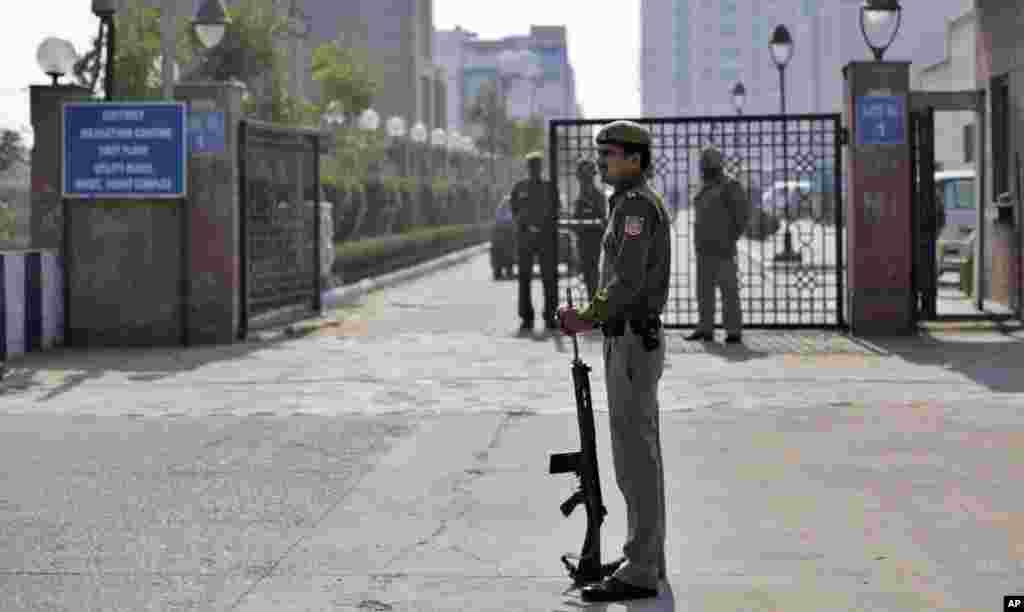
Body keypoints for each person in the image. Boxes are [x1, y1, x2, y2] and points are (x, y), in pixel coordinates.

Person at [558, 120, 671, 602]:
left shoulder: (637, 209)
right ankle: (644, 557)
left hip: (630, 342)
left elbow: (624, 284)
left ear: (634, 158)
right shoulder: (627, 205)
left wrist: (583, 317)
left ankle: (642, 567)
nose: (602, 161)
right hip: (624, 340)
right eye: (600, 153)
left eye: (610, 153)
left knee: (634, 460)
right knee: (635, 455)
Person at [685, 146, 749, 344]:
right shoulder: (704, 187)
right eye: (703, 163)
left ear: (716, 165)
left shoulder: (730, 186)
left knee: (729, 293)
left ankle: (733, 332)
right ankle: (705, 329)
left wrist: (730, 238)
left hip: (723, 250)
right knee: (704, 293)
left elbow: (742, 217)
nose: (704, 167)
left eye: (707, 163)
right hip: (704, 250)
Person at [510, 151, 559, 331]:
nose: (534, 169)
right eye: (531, 166)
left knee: (549, 278)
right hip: (525, 238)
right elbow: (514, 210)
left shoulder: (549, 187)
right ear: (528, 168)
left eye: (537, 166)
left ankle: (550, 316)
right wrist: (526, 225)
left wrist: (543, 226)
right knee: (524, 279)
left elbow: (555, 210)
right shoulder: (519, 187)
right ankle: (526, 317)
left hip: (546, 238)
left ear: (541, 167)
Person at [571, 159, 608, 300]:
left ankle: (596, 304)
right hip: (583, 240)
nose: (582, 181)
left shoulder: (597, 196)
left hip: (595, 240)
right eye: (581, 178)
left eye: (585, 177)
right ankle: (593, 303)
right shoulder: (580, 197)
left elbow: (602, 219)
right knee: (589, 275)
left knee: (595, 275)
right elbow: (576, 219)